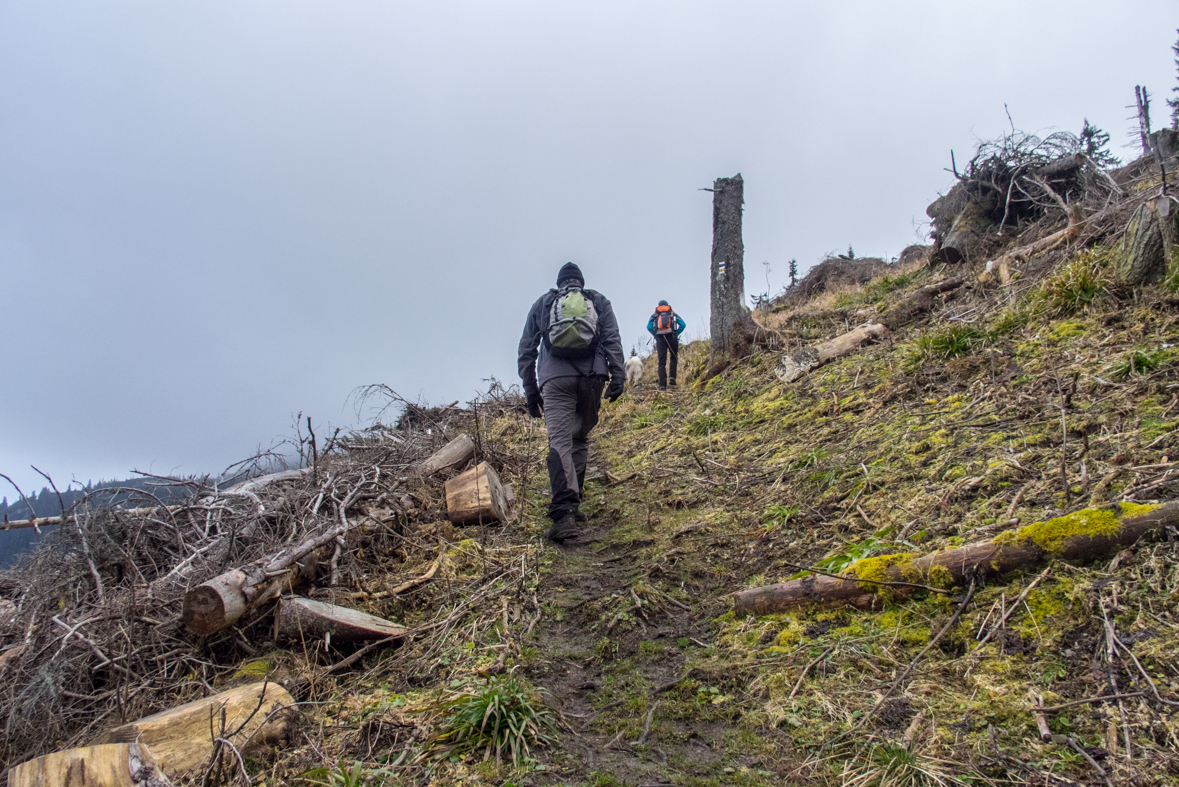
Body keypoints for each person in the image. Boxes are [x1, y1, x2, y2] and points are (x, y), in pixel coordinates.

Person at [518, 262, 625, 543]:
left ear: (560, 283)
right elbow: (612, 338)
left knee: (560, 443)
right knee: (579, 439)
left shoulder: (544, 303)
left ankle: (564, 513)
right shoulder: (598, 301)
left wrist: (531, 391)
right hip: (593, 377)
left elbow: (526, 350)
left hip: (556, 380)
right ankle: (573, 503)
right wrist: (618, 375)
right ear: (580, 282)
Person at [646, 300, 686, 390]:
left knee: (662, 362)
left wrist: (656, 334)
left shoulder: (655, 315)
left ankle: (662, 385)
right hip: (672, 338)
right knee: (673, 357)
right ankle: (672, 378)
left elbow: (648, 327)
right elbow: (683, 324)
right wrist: (675, 334)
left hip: (660, 339)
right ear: (667, 305)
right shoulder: (672, 313)